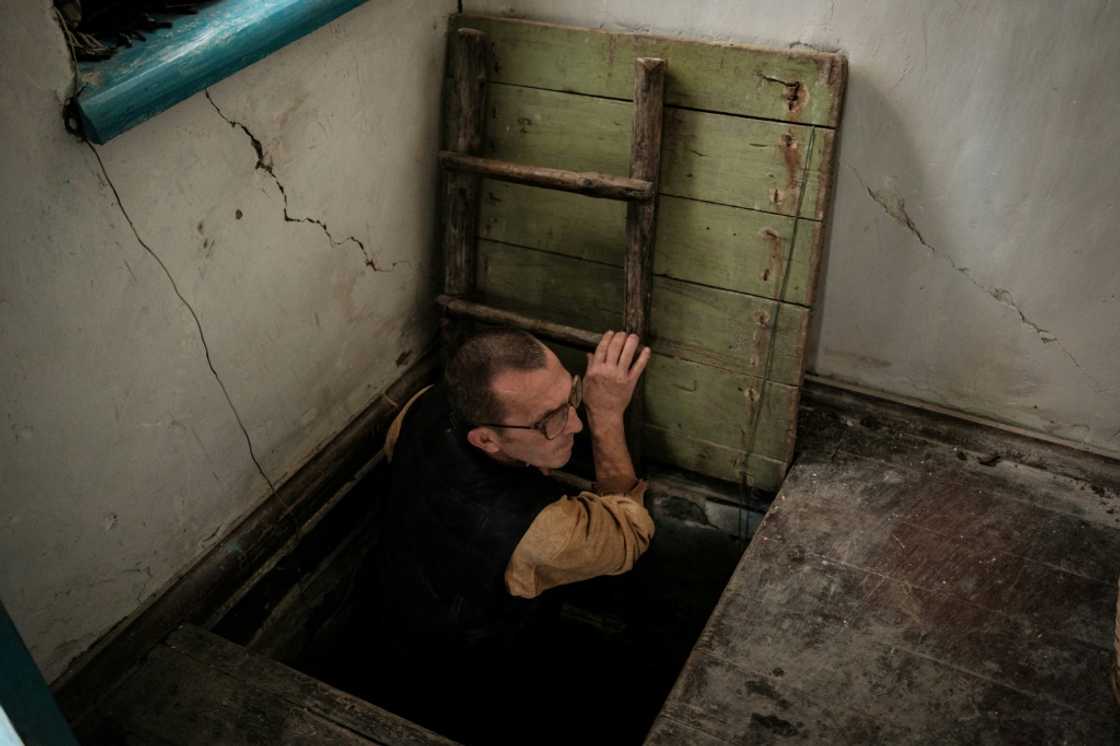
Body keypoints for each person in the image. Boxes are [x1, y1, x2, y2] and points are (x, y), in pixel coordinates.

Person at [356, 326, 655, 741]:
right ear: (486, 440)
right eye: (549, 421)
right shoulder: (537, 535)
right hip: (471, 671)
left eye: (572, 395)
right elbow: (628, 536)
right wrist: (605, 415)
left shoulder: (426, 405)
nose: (575, 423)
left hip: (396, 604)